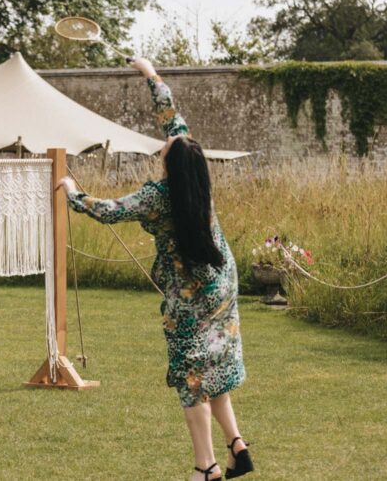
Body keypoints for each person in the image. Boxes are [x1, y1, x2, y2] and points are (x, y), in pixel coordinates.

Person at [59, 58, 253, 481]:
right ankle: (238, 447)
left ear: (169, 164)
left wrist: (74, 193)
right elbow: (174, 123)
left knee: (190, 379)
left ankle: (206, 468)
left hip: (189, 297)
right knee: (214, 371)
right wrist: (150, 75)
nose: (165, 143)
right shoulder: (195, 180)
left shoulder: (159, 196)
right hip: (222, 284)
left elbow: (110, 211)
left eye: (166, 147)